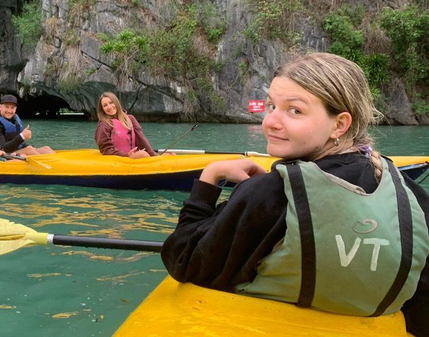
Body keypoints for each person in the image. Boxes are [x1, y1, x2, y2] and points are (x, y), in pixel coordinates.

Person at [161, 52, 429, 335]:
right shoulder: (411, 196)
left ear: (340, 124)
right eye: (271, 106)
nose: (270, 122)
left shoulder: (270, 193)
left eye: (294, 110)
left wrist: (209, 179)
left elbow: (183, 260)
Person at [94, 92, 158, 158]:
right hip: (117, 159)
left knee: (146, 154)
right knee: (143, 155)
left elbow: (142, 140)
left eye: (111, 102)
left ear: (116, 102)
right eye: (105, 105)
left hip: (132, 156)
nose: (109, 107)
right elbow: (106, 149)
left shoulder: (131, 118)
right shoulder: (104, 125)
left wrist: (154, 156)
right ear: (102, 110)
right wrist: (127, 155)